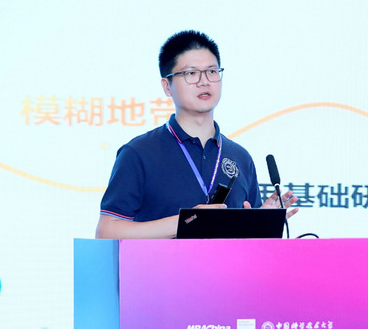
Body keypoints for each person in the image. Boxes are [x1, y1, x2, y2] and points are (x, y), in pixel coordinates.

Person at [96, 30, 297, 239]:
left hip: (226, 263)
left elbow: (247, 243)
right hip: (162, 262)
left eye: (212, 71)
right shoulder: (139, 153)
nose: (204, 82)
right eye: (191, 74)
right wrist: (188, 221)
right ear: (167, 86)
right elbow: (106, 232)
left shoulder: (240, 157)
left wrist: (260, 224)